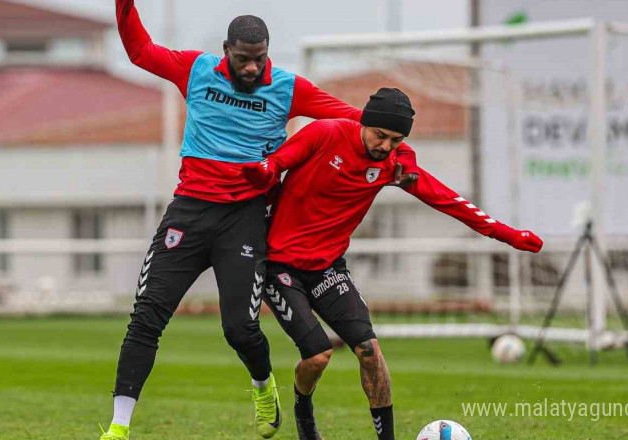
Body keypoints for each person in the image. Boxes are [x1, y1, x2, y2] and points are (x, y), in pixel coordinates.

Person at [103, 2, 419, 440]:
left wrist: (404, 154)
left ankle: (262, 385)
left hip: (246, 220)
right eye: (243, 58)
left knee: (240, 328)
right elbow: (139, 50)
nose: (252, 67)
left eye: (260, 58)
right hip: (189, 212)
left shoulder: (289, 88)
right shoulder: (194, 70)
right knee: (146, 318)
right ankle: (119, 428)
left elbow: (362, 122)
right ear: (225, 50)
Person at [240, 88, 543, 440]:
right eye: (379, 135)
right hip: (280, 266)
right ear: (363, 123)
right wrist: (262, 172)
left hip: (327, 267)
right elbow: (277, 163)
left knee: (369, 351)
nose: (385, 145)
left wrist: (505, 234)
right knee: (319, 354)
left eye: (395, 139)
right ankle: (303, 412)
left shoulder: (396, 164)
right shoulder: (325, 133)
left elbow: (448, 200)